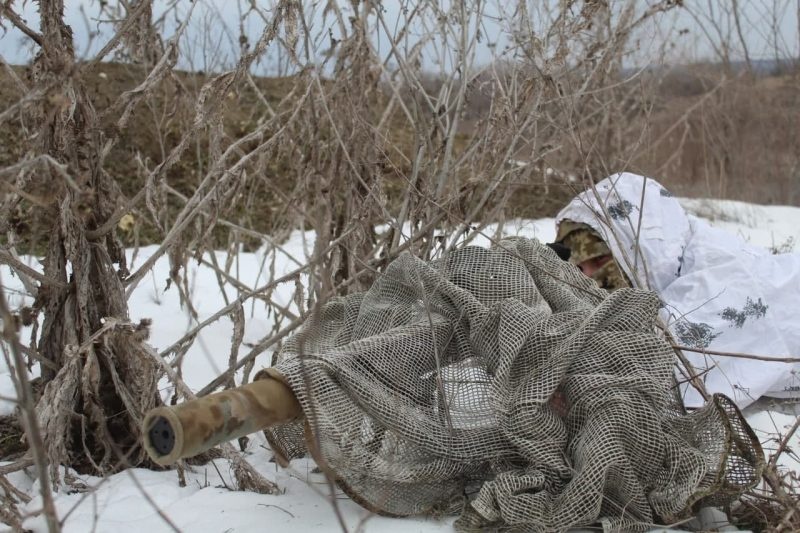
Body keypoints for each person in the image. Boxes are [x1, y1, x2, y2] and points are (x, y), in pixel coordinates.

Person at [555, 172, 800, 409]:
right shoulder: (674, 256)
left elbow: (650, 370)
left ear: (637, 248)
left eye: (599, 261)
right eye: (578, 267)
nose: (588, 277)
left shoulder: (715, 286)